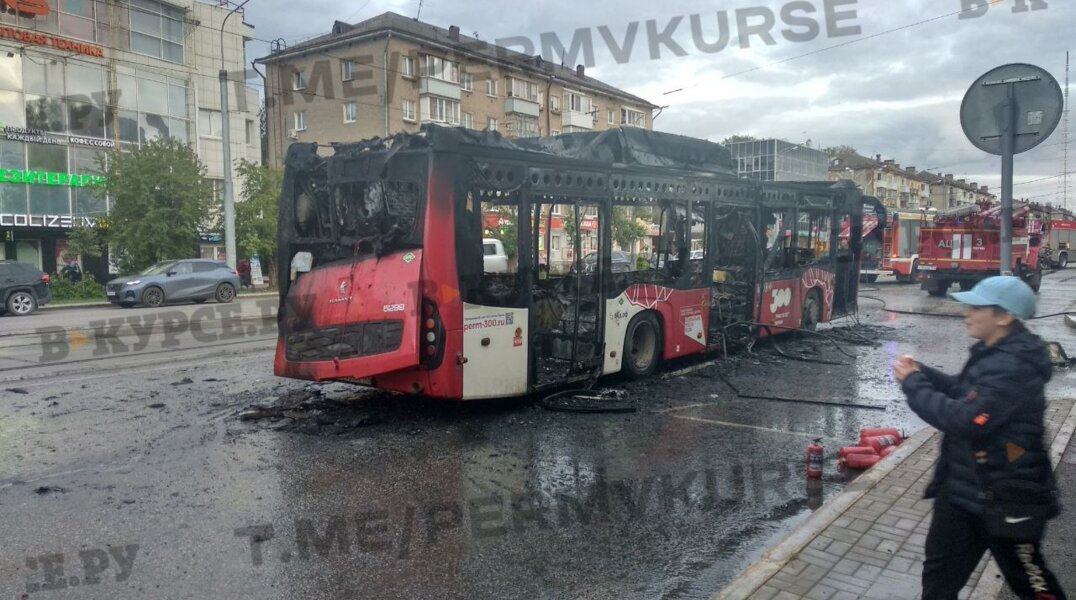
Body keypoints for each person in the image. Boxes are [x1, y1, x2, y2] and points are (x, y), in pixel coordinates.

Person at [892, 276, 1066, 600]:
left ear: (1004, 317)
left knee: (1032, 584)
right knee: (938, 584)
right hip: (961, 494)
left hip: (1007, 498)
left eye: (976, 307)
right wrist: (923, 373)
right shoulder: (993, 351)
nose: (967, 313)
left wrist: (914, 384)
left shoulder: (1015, 366)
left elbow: (968, 420)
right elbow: (964, 393)